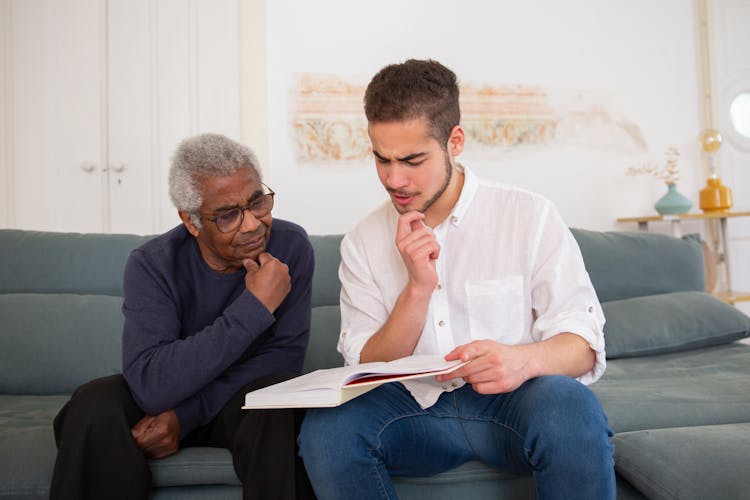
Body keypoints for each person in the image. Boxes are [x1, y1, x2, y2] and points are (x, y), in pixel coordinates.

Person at [298, 59, 615, 499]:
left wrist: (523, 360)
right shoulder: (363, 241)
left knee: (570, 407)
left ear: (455, 141)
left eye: (412, 160)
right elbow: (365, 367)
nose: (394, 179)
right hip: (411, 414)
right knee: (326, 428)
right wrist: (418, 289)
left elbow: (583, 343)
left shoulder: (529, 215)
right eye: (381, 159)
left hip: (513, 405)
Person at [50, 133, 316, 500]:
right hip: (164, 395)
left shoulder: (291, 247)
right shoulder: (152, 263)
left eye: (257, 203)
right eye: (228, 216)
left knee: (278, 403)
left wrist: (186, 415)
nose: (253, 224)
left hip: (242, 403)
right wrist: (254, 306)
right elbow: (151, 384)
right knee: (93, 404)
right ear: (191, 222)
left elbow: (283, 358)